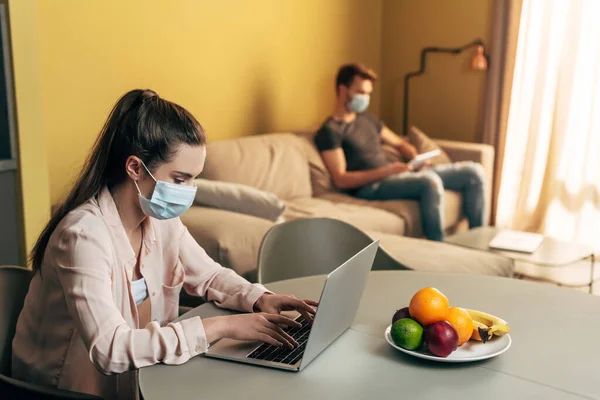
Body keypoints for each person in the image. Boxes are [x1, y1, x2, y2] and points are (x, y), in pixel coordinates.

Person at [12, 89, 317, 400]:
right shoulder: (82, 236)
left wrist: (260, 298)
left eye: (194, 179)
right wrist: (221, 328)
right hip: (69, 390)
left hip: (144, 377)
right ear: (134, 168)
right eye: (180, 179)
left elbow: (209, 276)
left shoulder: (160, 219)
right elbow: (109, 349)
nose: (189, 191)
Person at [314, 63, 486, 241]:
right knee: (429, 182)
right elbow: (341, 179)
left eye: (368, 93)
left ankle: (479, 244)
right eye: (361, 93)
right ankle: (438, 247)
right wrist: (388, 171)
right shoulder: (330, 131)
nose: (366, 98)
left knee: (474, 172)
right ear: (342, 90)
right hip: (371, 186)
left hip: (396, 174)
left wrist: (416, 159)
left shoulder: (368, 119)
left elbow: (399, 143)